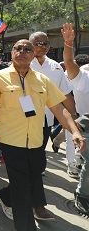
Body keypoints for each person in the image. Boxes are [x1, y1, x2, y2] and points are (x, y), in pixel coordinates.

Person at [0, 39, 86, 230]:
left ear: (33, 55)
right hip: (11, 142)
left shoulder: (42, 80)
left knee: (30, 181)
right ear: (11, 53)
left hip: (37, 142)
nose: (22, 51)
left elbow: (58, 108)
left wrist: (74, 131)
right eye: (17, 48)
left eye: (27, 49)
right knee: (22, 189)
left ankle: (5, 196)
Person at [29, 31, 77, 178]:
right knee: (26, 150)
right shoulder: (23, 64)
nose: (43, 47)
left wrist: (73, 116)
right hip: (24, 118)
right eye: (39, 44)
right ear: (30, 45)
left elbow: (65, 93)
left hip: (46, 119)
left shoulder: (55, 67)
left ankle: (34, 173)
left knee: (39, 149)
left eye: (46, 44)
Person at [61, 23, 89, 215]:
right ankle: (82, 195)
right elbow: (69, 64)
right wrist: (68, 43)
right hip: (87, 126)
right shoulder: (84, 76)